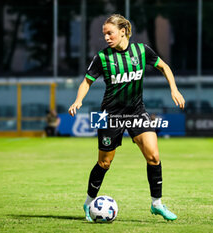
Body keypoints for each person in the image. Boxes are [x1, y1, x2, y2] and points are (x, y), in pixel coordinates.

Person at [68, 14, 185, 221]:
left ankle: (156, 204)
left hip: (137, 111)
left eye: (109, 33)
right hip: (110, 115)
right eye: (104, 34)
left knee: (154, 156)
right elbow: (86, 82)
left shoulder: (141, 51)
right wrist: (78, 101)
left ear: (123, 31)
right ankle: (88, 203)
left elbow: (164, 67)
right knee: (104, 163)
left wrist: (174, 90)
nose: (106, 37)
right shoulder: (102, 58)